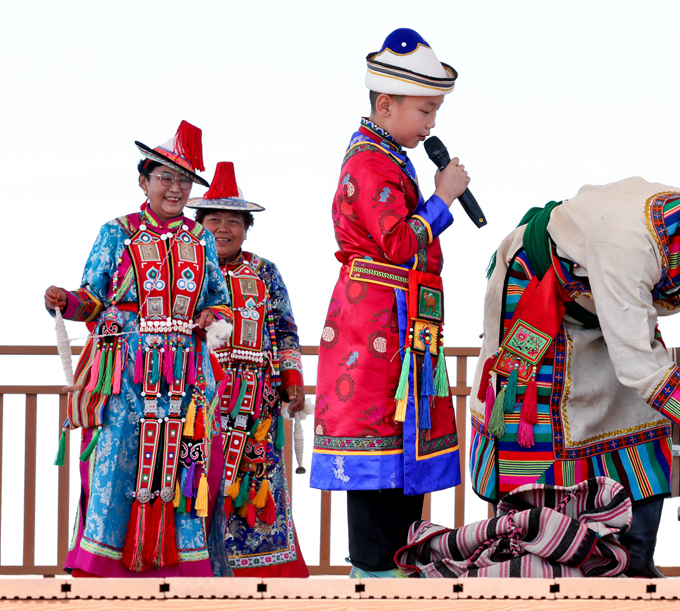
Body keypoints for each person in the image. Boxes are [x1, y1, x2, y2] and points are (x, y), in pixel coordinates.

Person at [469, 174, 680, 577]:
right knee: (532, 425)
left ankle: (634, 565)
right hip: (540, 289)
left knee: (642, 420)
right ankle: (531, 561)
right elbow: (637, 362)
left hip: (622, 307)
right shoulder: (630, 239)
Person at [312, 28, 470, 579]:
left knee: (402, 445)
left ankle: (398, 565)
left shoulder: (388, 157)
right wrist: (443, 197)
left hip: (398, 318)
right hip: (376, 319)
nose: (432, 124)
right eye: (426, 110)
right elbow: (399, 244)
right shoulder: (370, 162)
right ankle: (375, 570)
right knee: (378, 442)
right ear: (386, 104)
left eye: (435, 111)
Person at [44, 121, 232, 577]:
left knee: (184, 466)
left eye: (184, 180)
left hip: (186, 375)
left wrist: (212, 316)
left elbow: (219, 300)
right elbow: (93, 299)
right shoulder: (117, 232)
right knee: (116, 463)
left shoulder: (201, 238)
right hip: (124, 373)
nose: (176, 188)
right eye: (165, 177)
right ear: (143, 181)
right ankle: (103, 570)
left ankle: (180, 571)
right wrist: (65, 301)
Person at [188, 161, 309, 577]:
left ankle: (262, 581)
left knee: (256, 488)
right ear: (199, 225)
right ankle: (196, 573)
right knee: (195, 484)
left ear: (246, 229)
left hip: (256, 405)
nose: (223, 229)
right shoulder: (187, 270)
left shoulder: (264, 272)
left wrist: (292, 380)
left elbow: (286, 329)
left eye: (234, 222)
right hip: (197, 402)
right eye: (214, 220)